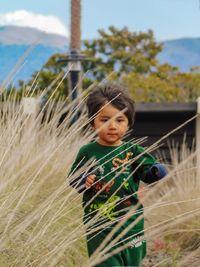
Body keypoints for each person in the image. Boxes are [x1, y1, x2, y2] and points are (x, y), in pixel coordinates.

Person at [69, 83, 167, 267]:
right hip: (98, 225)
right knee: (106, 263)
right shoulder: (88, 152)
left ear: (128, 122)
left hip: (131, 224)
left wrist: (156, 171)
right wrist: (84, 180)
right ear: (92, 123)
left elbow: (149, 171)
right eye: (104, 120)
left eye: (119, 120)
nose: (112, 126)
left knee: (133, 262)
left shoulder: (133, 151)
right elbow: (74, 179)